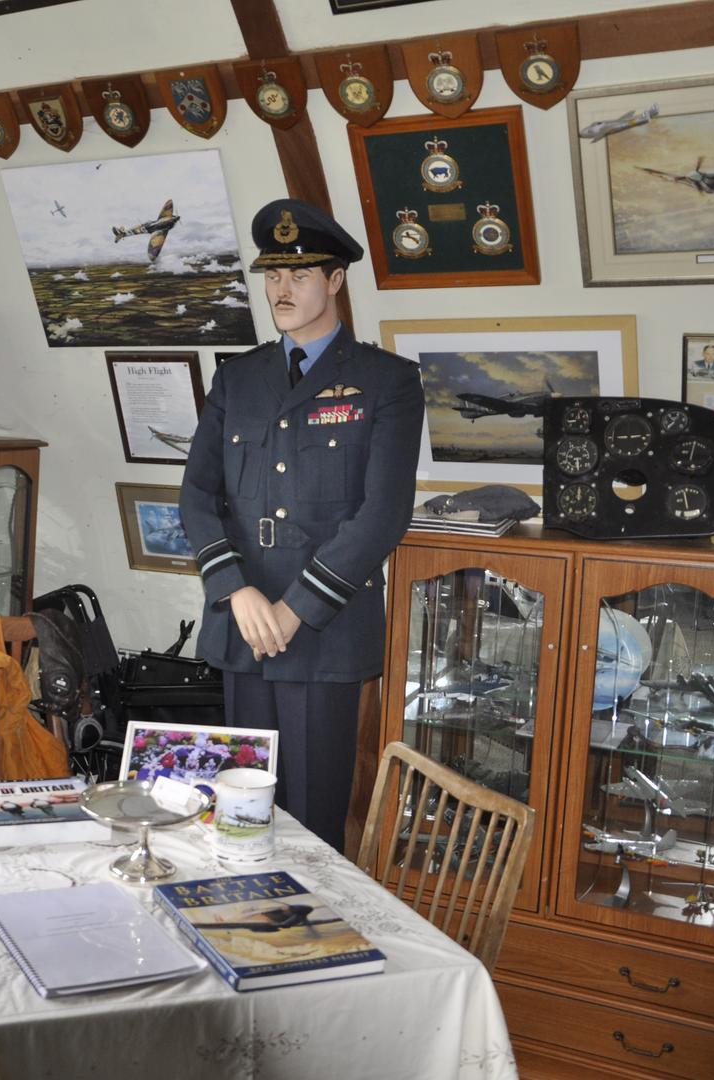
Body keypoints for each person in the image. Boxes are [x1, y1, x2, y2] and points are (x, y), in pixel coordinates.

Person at [181, 198, 425, 852]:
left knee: (313, 824)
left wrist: (295, 610)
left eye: (301, 275)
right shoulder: (238, 378)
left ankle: (310, 941)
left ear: (337, 280)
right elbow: (197, 495)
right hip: (243, 625)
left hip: (322, 633)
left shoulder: (387, 382)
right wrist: (236, 590)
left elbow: (383, 515)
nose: (282, 291)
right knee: (239, 814)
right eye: (273, 276)